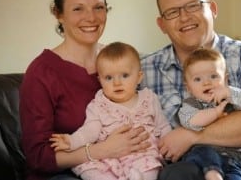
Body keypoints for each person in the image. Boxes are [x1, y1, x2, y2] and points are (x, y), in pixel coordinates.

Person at [139, 0, 241, 180]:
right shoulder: (145, 71)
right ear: (161, 24)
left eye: (193, 5)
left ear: (213, 9)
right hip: (187, 172)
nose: (184, 17)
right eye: (172, 12)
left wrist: (191, 135)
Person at [20, 0, 149, 180]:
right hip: (62, 175)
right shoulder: (41, 73)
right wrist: (102, 150)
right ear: (58, 13)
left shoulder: (119, 61)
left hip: (123, 166)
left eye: (98, 7)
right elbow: (38, 156)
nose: (91, 17)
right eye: (78, 9)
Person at [49, 42, 172, 180]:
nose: (117, 83)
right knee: (88, 168)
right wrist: (71, 141)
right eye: (108, 78)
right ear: (100, 80)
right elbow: (90, 130)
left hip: (142, 154)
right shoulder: (98, 105)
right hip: (107, 157)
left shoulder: (149, 99)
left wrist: (169, 148)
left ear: (139, 77)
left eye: (124, 75)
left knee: (150, 169)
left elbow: (163, 126)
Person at [178, 48, 241, 180]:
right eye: (197, 79)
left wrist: (229, 92)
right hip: (201, 159)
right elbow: (190, 122)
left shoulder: (230, 99)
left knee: (236, 176)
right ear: (188, 87)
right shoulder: (190, 104)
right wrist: (215, 112)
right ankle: (213, 174)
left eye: (213, 76)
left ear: (225, 79)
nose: (206, 82)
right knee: (205, 153)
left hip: (231, 158)